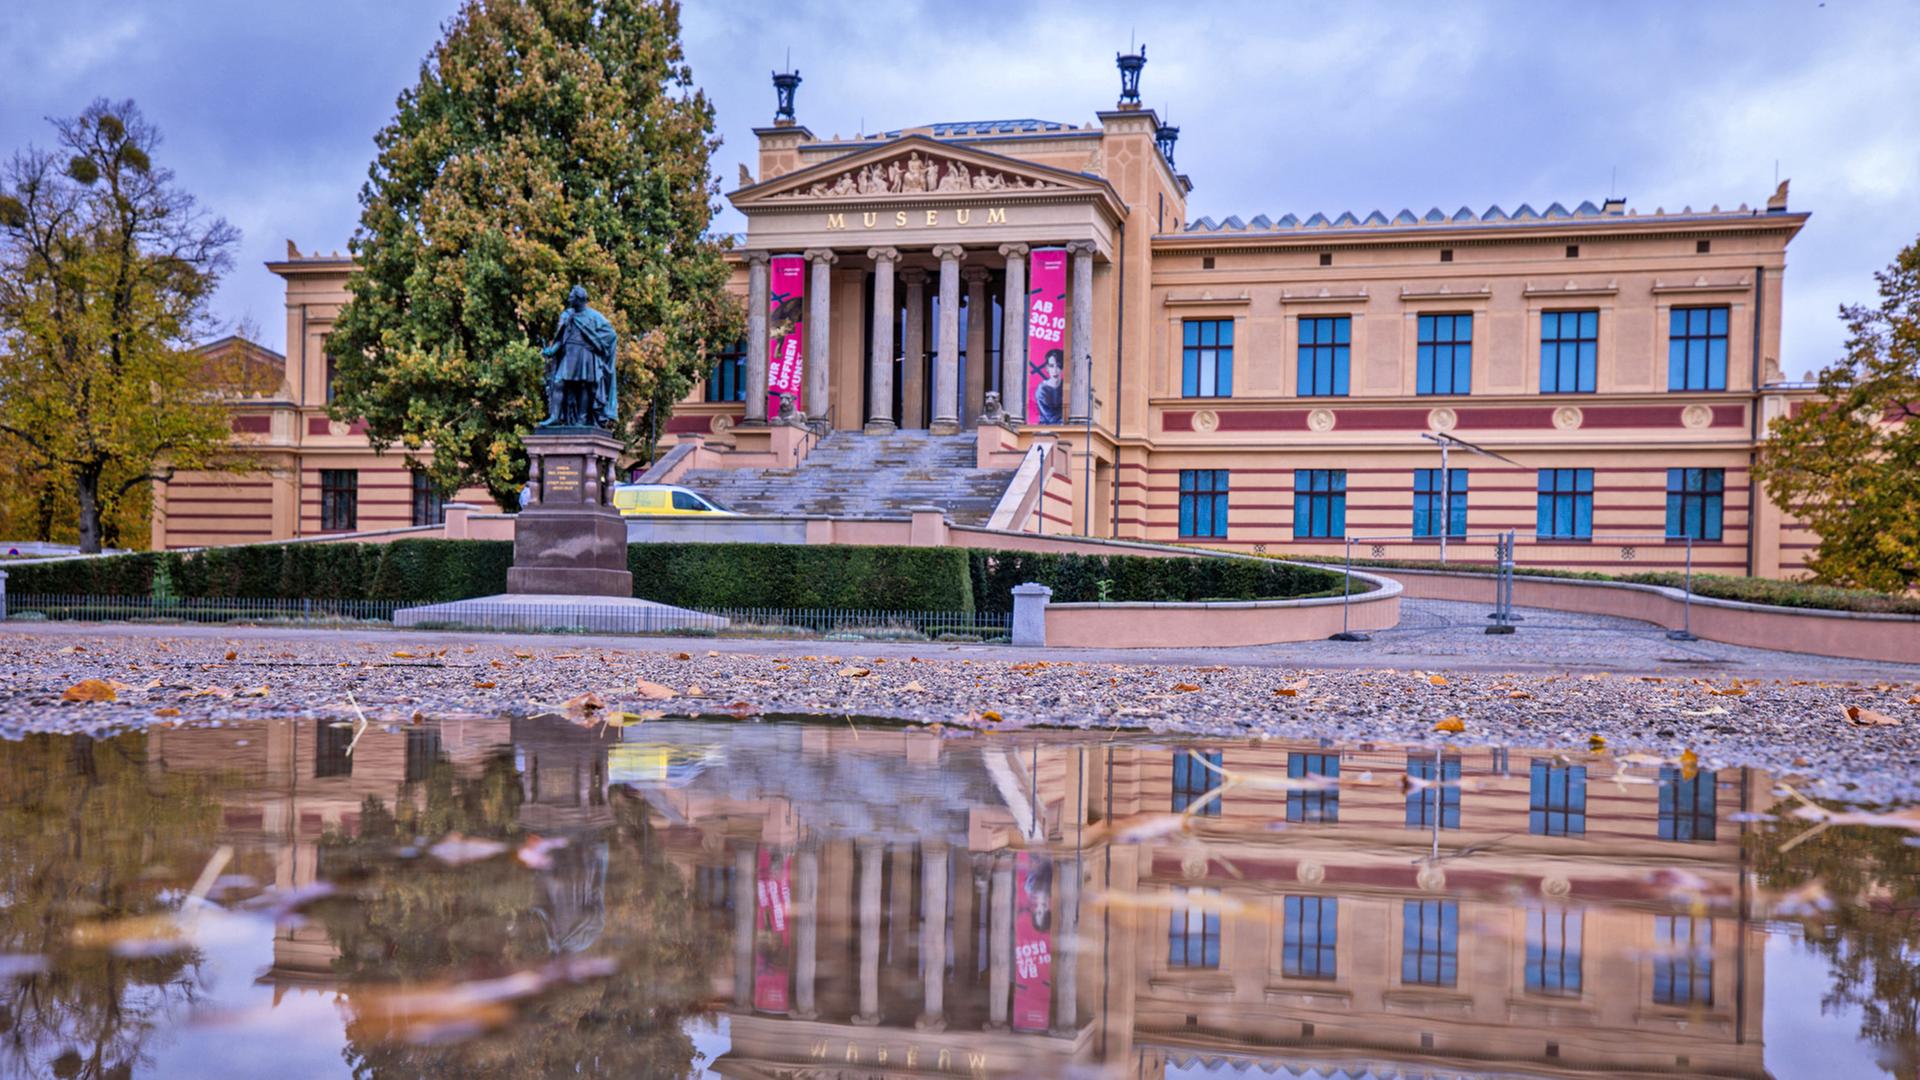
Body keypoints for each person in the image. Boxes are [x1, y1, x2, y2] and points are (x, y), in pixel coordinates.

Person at [1031, 349, 1065, 424]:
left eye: (1058, 366)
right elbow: (1049, 417)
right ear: (1047, 368)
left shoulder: (1064, 386)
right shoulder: (1042, 389)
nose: (1055, 370)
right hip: (1046, 429)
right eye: (1051, 366)